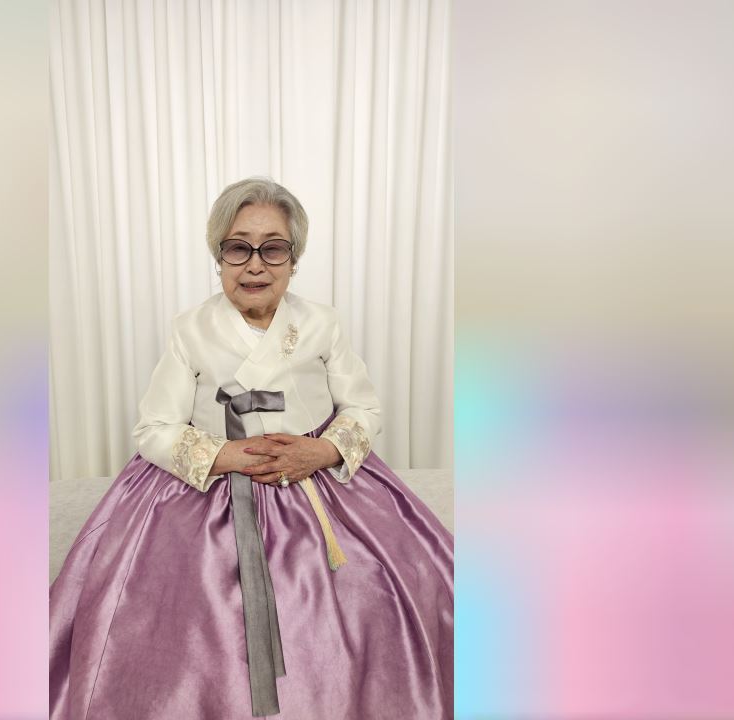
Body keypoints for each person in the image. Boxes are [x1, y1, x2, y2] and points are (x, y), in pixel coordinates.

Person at [49, 177, 453, 720]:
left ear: (294, 259)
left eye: (274, 249)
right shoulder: (191, 329)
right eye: (238, 248)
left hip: (313, 479)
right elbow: (154, 427)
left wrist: (321, 452)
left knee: (388, 585)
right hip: (212, 486)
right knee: (170, 611)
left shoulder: (321, 323)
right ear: (218, 256)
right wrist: (225, 456)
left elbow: (364, 408)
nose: (256, 265)